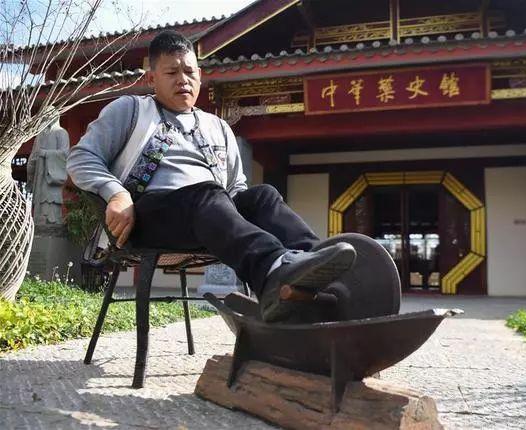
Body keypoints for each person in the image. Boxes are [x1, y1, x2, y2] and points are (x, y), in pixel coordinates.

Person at [66, 30, 356, 322]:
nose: (183, 80)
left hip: (208, 215)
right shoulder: (130, 110)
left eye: (190, 72)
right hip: (146, 217)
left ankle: (319, 264)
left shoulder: (217, 126)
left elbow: (236, 186)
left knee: (262, 195)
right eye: (172, 72)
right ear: (152, 78)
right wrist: (115, 192)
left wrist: (235, 207)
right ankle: (272, 270)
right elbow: (81, 157)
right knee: (206, 193)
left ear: (200, 75)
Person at [27, 116, 69, 226]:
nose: (46, 120)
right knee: (39, 206)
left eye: (48, 117)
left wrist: (46, 153)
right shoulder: (40, 135)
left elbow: (65, 153)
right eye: (44, 117)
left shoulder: (61, 132)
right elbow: (33, 156)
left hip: (52, 176)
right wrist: (30, 176)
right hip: (39, 176)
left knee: (51, 204)